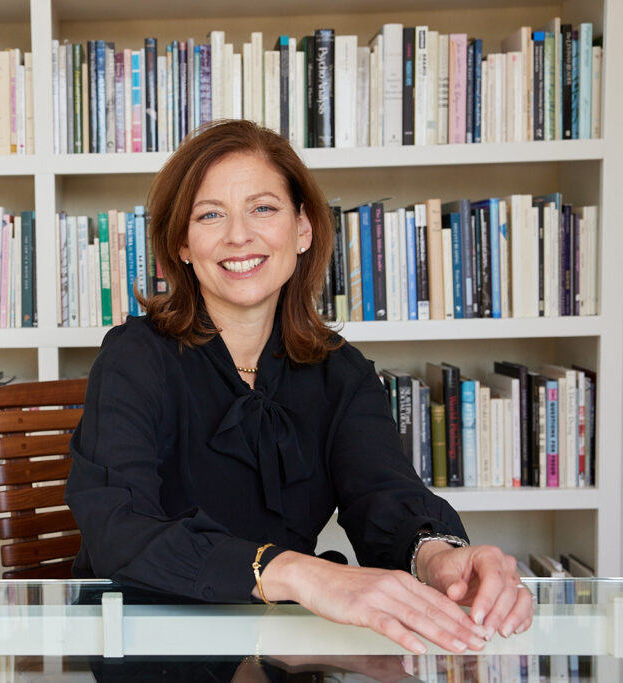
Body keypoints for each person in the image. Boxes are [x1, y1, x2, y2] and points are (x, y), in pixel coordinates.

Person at [64, 119, 533, 655]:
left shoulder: (342, 372)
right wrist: (295, 573)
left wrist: (436, 556)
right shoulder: (134, 356)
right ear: (183, 245)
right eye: (210, 214)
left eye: (263, 208)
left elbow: (385, 495)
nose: (239, 235)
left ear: (303, 229)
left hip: (280, 650)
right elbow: (118, 528)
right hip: (144, 646)